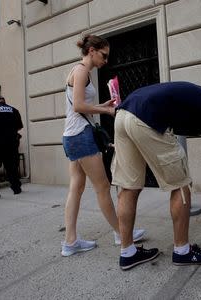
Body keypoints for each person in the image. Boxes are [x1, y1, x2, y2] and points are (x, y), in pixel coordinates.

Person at [112, 80, 201, 270]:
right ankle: (182, 251)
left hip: (123, 114)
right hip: (144, 118)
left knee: (129, 186)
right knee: (181, 185)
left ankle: (128, 253)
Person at [61, 34, 145, 257]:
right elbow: (79, 106)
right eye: (103, 55)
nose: (105, 61)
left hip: (72, 135)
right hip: (80, 135)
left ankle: (70, 242)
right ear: (91, 51)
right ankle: (120, 233)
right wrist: (107, 110)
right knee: (103, 187)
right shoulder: (81, 71)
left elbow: (78, 106)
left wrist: (100, 105)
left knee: (76, 188)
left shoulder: (77, 71)